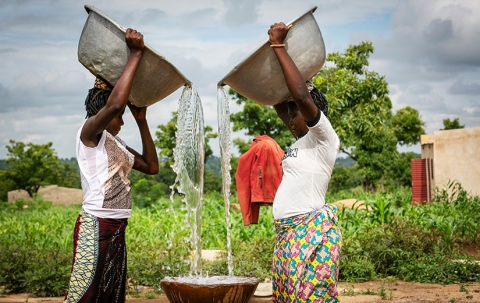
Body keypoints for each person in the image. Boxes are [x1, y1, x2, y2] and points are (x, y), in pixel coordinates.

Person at [64, 28, 159, 303]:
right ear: (104, 112)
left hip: (117, 227)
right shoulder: (89, 132)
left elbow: (151, 166)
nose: (122, 120)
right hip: (95, 225)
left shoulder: (115, 142)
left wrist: (142, 120)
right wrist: (136, 54)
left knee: (110, 295)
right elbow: (116, 104)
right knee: (85, 295)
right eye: (119, 115)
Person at [268, 22, 342, 302]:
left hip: (311, 233)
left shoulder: (324, 138)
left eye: (294, 113)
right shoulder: (301, 142)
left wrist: (279, 47)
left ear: (312, 111)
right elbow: (279, 101)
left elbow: (300, 94)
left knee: (312, 298)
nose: (289, 119)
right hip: (287, 235)